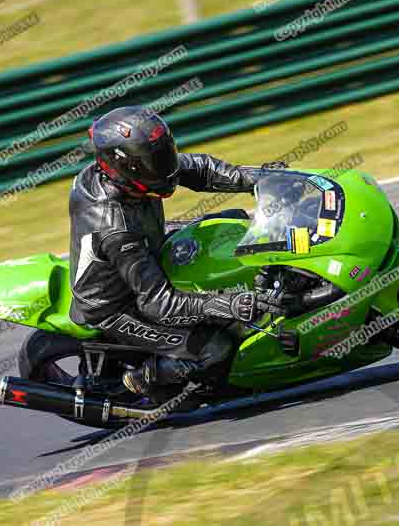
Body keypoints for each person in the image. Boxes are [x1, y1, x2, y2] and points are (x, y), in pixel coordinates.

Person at [68, 106, 282, 396]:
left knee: (230, 223)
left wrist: (260, 179)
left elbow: (200, 169)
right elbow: (157, 303)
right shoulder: (115, 227)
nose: (165, 166)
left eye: (163, 154)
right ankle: (146, 378)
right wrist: (224, 304)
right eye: (152, 161)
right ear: (126, 167)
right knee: (216, 349)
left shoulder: (130, 174)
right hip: (119, 305)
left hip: (148, 247)